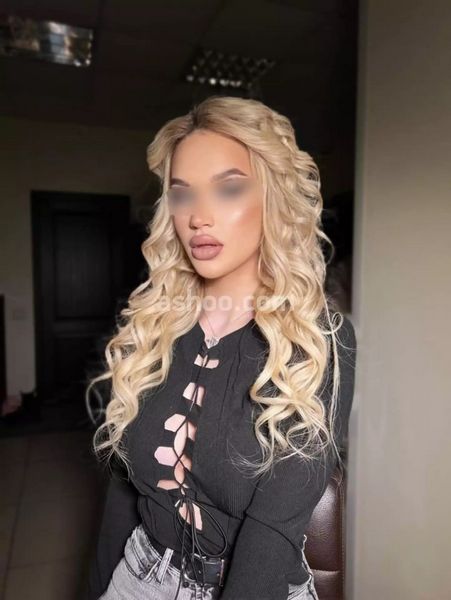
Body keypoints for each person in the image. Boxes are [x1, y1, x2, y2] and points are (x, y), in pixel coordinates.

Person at [85, 95, 357, 600]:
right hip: (141, 574)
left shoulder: (317, 342)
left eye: (229, 188)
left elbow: (273, 532)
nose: (198, 217)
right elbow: (124, 491)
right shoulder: (153, 325)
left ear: (273, 199)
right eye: (182, 194)